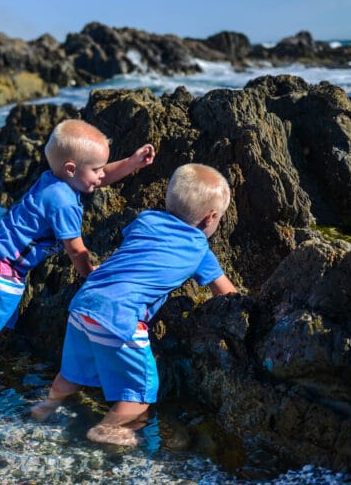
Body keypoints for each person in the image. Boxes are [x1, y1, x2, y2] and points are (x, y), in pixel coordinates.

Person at [0, 119, 156, 390]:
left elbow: (100, 177)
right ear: (71, 169)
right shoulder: (62, 203)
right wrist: (91, 276)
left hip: (6, 263)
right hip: (0, 263)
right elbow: (75, 249)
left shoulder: (59, 179)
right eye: (96, 169)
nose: (100, 175)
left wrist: (131, 162)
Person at [31, 163, 238, 446]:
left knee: (72, 373)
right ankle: (107, 427)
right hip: (122, 317)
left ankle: (46, 407)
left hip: (84, 303)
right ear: (210, 218)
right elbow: (228, 295)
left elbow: (133, 245)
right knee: (140, 394)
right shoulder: (199, 249)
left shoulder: (146, 219)